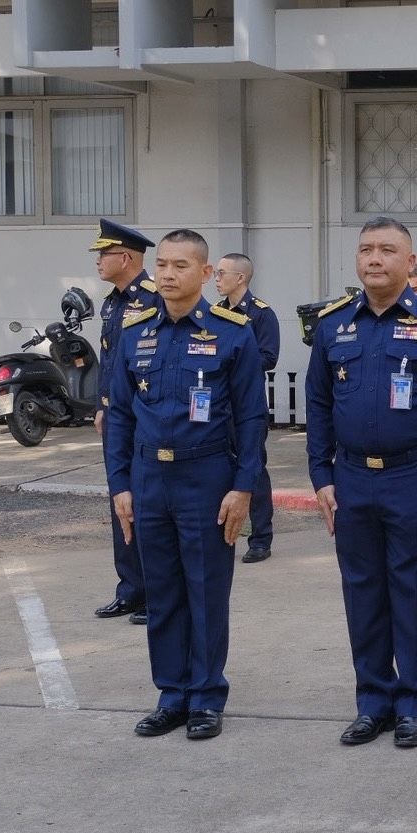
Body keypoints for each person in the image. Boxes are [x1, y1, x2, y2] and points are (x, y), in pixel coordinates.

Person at [305, 217, 417, 749]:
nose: (374, 259)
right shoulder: (333, 325)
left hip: (415, 477)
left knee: (413, 590)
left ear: (410, 262)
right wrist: (321, 475)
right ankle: (372, 702)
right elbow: (318, 403)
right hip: (352, 478)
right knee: (362, 591)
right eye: (366, 250)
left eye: (386, 250)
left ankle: (413, 704)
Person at [104, 229, 267, 740]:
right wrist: (120, 485)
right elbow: (120, 416)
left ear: (205, 272)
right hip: (149, 478)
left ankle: (206, 697)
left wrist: (243, 487)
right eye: (163, 265)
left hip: (206, 477)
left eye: (181, 265)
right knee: (163, 592)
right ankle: (171, 695)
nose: (169, 274)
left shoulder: (233, 333)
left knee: (205, 590)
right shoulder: (135, 333)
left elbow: (252, 418)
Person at [90, 218, 162, 626]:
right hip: (116, 415)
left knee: (149, 502)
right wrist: (103, 404)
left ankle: (157, 592)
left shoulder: (154, 297)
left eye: (105, 254)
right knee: (121, 499)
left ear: (127, 257)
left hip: (144, 415)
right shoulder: (112, 302)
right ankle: (130, 589)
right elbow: (110, 359)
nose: (98, 261)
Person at [214, 252, 281, 564]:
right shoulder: (215, 313)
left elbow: (269, 357)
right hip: (217, 404)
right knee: (217, 467)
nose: (216, 279)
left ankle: (261, 539)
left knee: (253, 468)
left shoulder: (261, 314)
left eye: (222, 273)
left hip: (246, 404)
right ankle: (222, 532)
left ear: (240, 278)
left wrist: (233, 360)